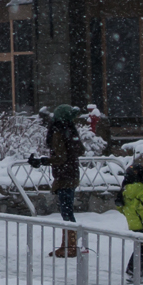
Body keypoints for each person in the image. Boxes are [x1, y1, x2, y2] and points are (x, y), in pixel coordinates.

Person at [43, 105, 83, 257]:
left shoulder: (58, 133)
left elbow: (60, 157)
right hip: (72, 174)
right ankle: (67, 245)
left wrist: (44, 160)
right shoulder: (71, 132)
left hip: (63, 176)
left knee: (66, 213)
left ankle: (69, 246)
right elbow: (80, 150)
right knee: (67, 211)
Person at [116, 158, 143, 280]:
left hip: (134, 225)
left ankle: (132, 269)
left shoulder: (125, 191)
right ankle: (135, 271)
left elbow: (121, 208)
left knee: (140, 247)